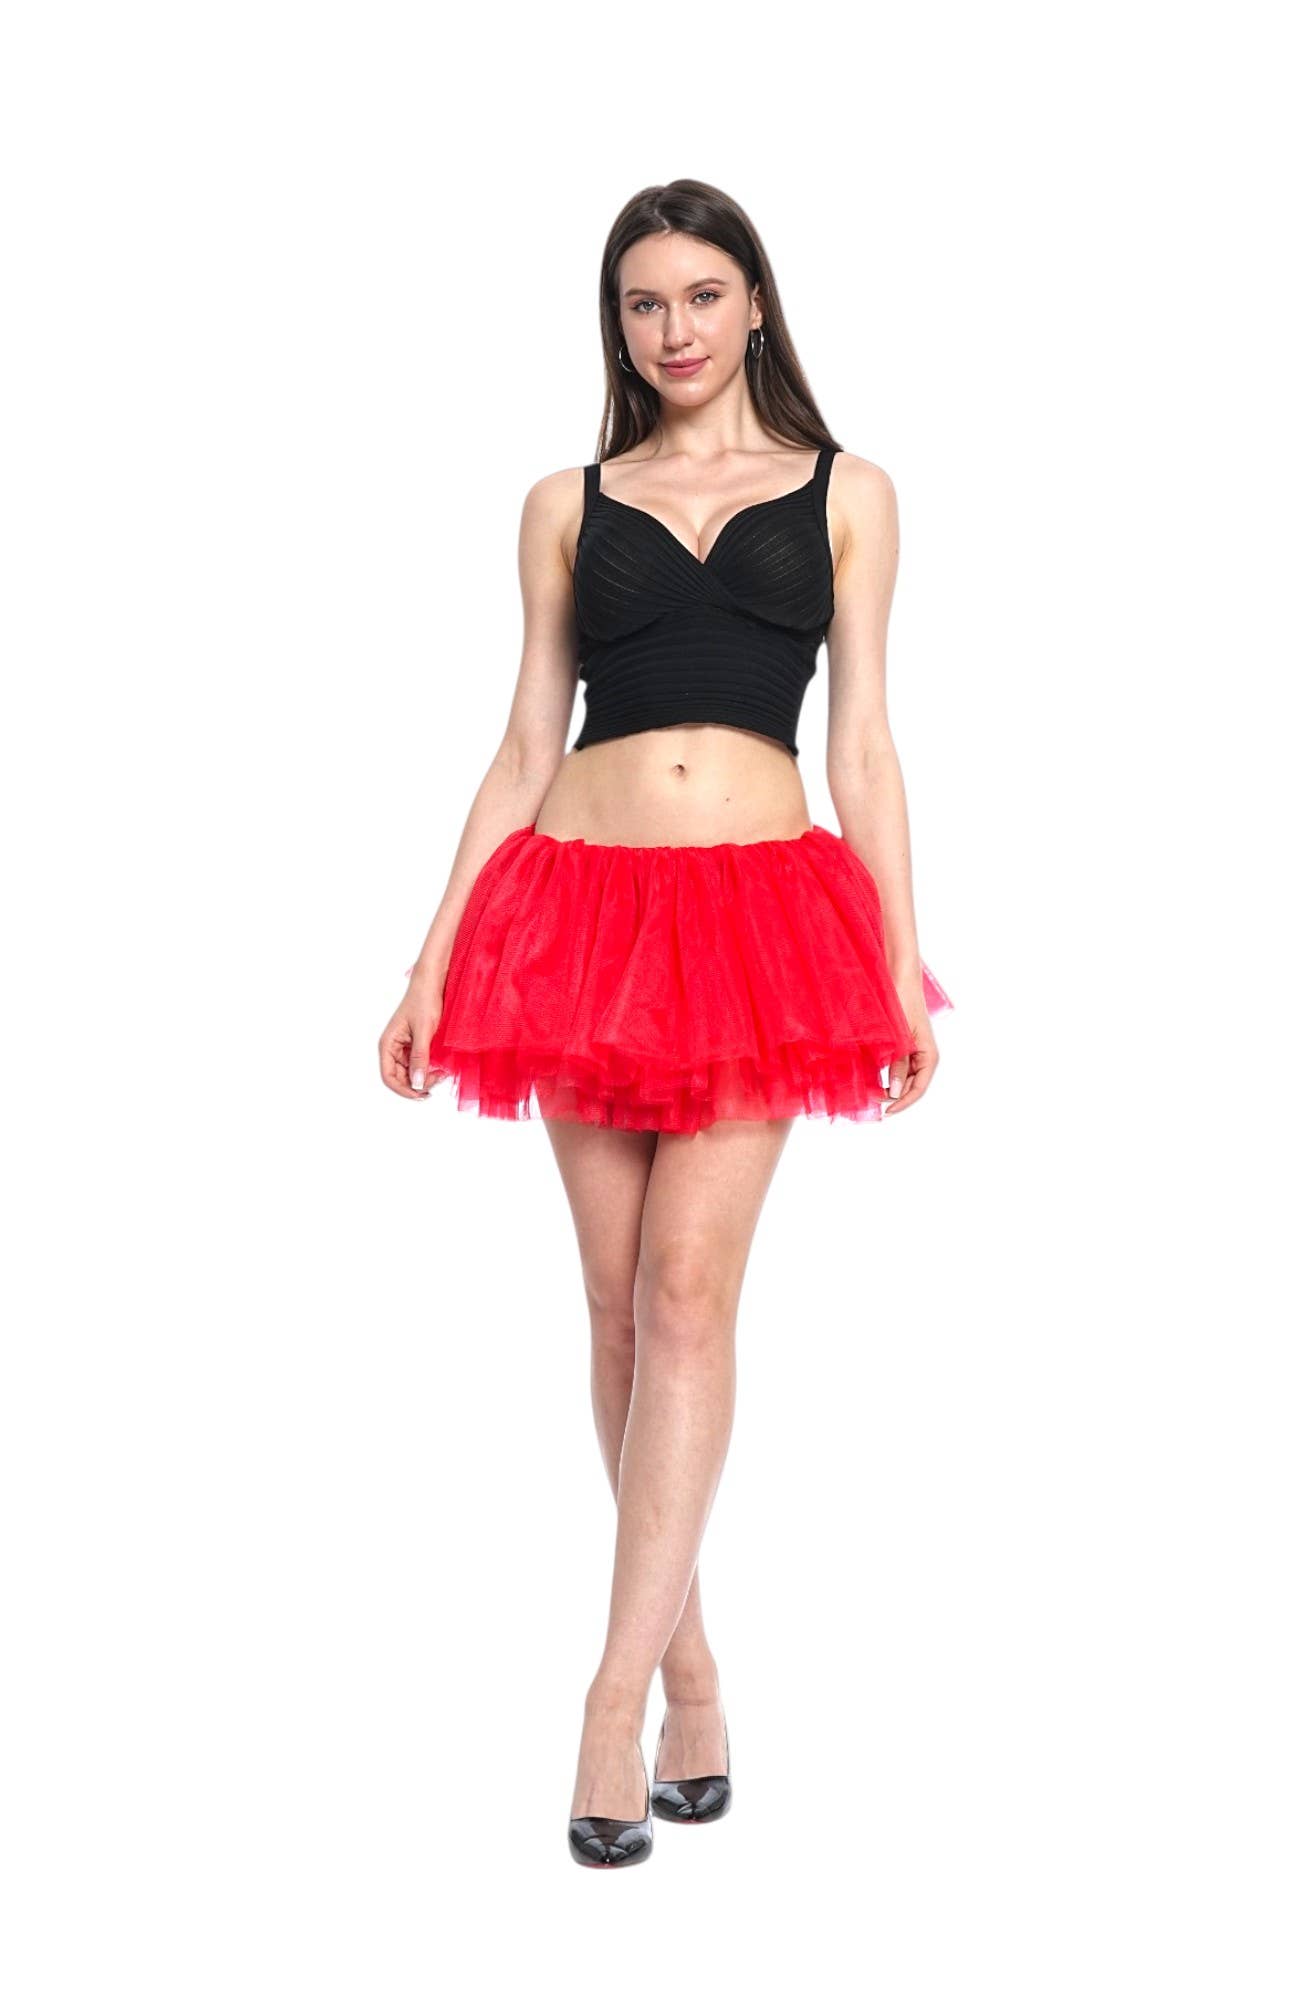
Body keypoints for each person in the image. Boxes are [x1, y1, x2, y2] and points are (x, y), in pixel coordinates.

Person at [378, 178, 954, 1868]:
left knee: (689, 1297)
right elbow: (520, 741)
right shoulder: (566, 502)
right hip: (575, 912)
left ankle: (607, 1703)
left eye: (703, 294)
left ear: (755, 303)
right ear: (616, 326)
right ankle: (693, 1672)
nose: (675, 328)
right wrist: (429, 961)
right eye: (644, 303)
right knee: (619, 1312)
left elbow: (864, 745)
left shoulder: (849, 492)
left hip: (762, 922)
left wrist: (900, 959)